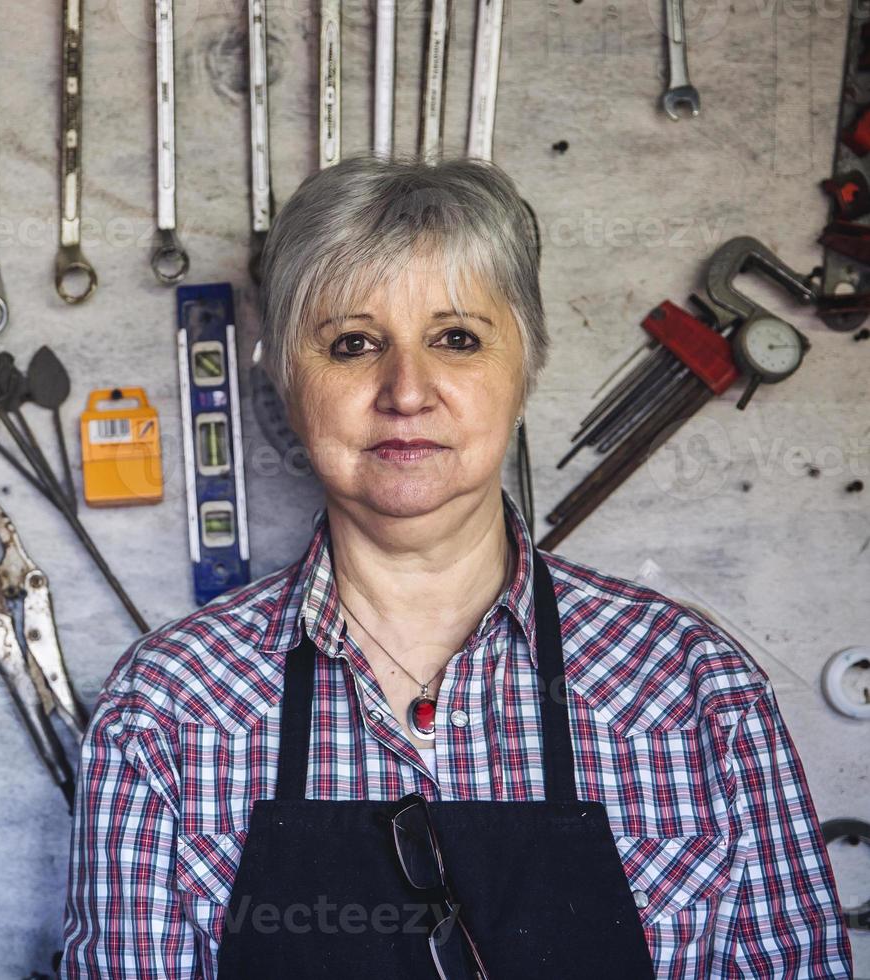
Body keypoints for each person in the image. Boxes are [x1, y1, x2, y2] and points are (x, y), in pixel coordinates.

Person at [60, 155, 852, 978]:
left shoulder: (693, 690)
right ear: (288, 378)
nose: (408, 389)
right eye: (354, 343)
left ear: (525, 367)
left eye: (457, 338)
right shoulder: (166, 711)